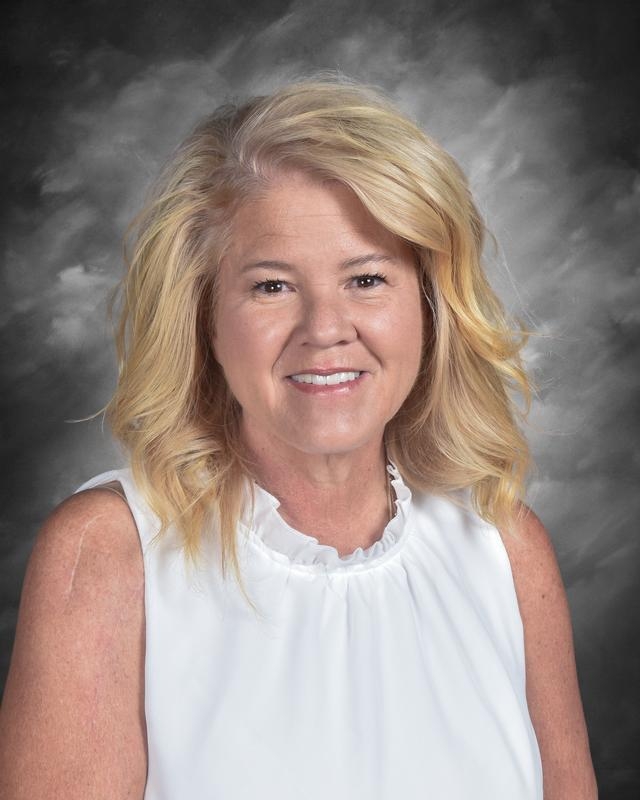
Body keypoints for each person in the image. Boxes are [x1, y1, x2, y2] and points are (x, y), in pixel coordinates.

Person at [0, 75, 597, 799]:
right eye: (272, 286)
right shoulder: (108, 555)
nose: (325, 329)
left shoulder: (506, 550)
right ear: (204, 319)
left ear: (431, 307)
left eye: (367, 279)